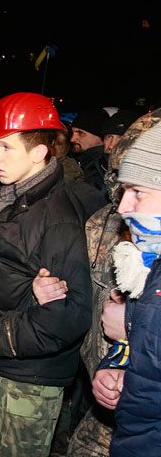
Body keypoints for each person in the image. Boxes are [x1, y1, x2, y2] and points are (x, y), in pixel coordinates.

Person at [0, 92, 92, 457]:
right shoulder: (18, 198)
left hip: (29, 378)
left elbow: (67, 317)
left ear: (38, 153)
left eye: (5, 147)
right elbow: (19, 270)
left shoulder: (56, 217)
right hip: (8, 364)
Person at [67, 108, 161, 457]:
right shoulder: (106, 226)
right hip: (119, 404)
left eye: (138, 191)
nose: (124, 207)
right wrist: (117, 364)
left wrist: (129, 329)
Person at [70, 108, 110, 194]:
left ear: (99, 137)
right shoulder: (82, 161)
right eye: (72, 133)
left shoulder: (101, 169)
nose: (72, 139)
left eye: (80, 133)